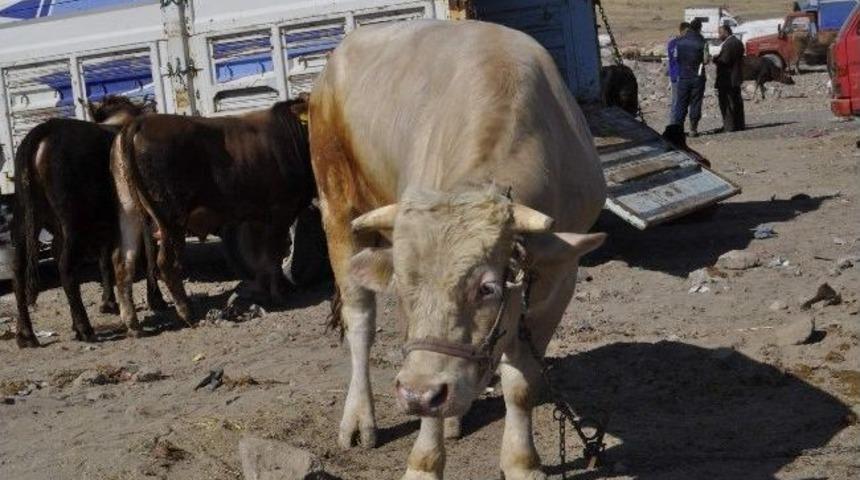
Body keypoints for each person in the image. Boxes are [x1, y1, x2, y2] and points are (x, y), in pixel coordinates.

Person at [671, 18, 707, 137]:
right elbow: (706, 60)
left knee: (681, 103)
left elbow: (676, 58)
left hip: (683, 76)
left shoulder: (679, 41)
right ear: (699, 28)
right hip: (697, 76)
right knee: (696, 102)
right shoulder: (702, 41)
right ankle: (693, 129)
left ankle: (678, 129)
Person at [713, 24, 745, 132]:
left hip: (727, 79)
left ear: (726, 32)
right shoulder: (738, 42)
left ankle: (729, 126)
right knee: (737, 102)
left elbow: (725, 60)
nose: (719, 36)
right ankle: (739, 125)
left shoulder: (728, 44)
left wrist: (715, 59)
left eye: (720, 33)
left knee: (726, 103)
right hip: (737, 77)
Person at [667, 22, 691, 122]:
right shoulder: (684, 44)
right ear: (684, 31)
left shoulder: (671, 43)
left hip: (675, 75)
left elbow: (671, 59)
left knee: (676, 101)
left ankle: (675, 124)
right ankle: (675, 124)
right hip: (681, 75)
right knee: (679, 101)